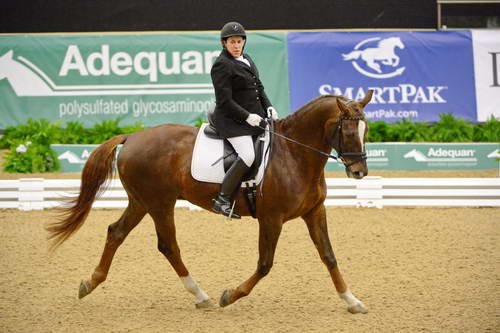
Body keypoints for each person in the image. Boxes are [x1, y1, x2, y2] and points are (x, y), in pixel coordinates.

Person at [210, 21, 278, 219]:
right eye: (232, 42)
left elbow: (259, 88)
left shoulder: (247, 59)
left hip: (255, 117)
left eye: (239, 41)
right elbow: (225, 101)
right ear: (224, 43)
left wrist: (269, 107)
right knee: (247, 155)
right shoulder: (222, 65)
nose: (236, 45)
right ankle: (222, 199)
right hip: (232, 121)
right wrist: (247, 117)